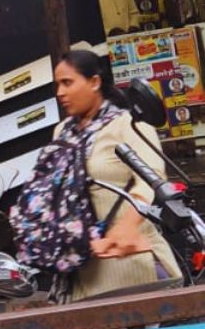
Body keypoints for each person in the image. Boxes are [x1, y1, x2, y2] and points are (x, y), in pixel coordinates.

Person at [15, 50, 178, 302]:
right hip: (78, 263)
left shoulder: (128, 125)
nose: (60, 93)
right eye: (57, 85)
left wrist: (125, 227)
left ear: (94, 82)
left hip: (127, 259)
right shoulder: (62, 131)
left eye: (67, 83)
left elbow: (151, 180)